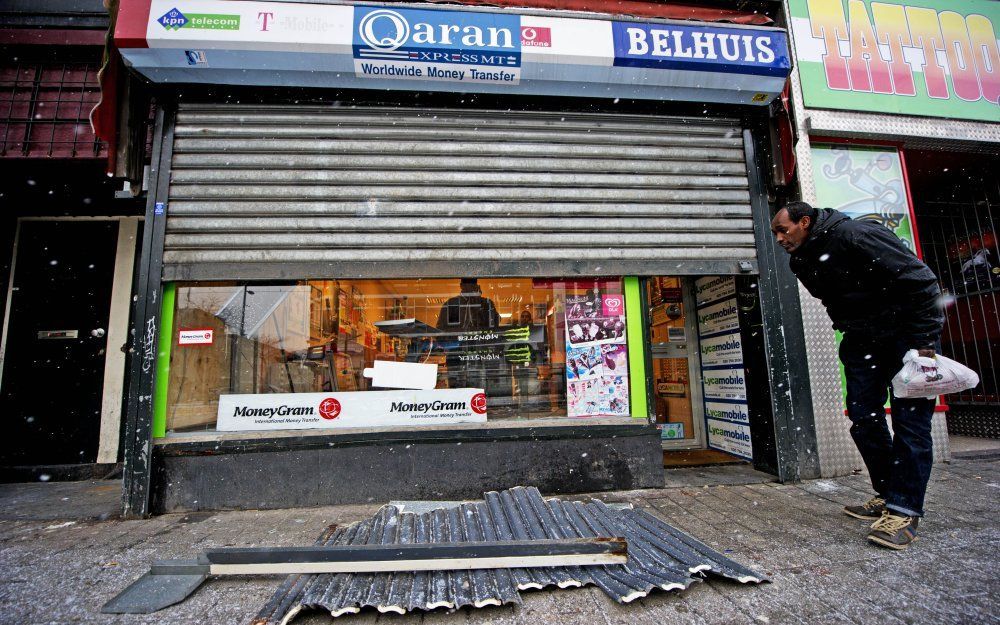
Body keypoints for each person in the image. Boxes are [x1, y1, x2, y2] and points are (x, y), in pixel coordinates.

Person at [771, 201, 944, 550]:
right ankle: (887, 493)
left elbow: (922, 281)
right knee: (863, 417)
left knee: (911, 422)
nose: (778, 238)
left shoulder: (856, 235)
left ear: (804, 222)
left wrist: (923, 344)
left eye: (782, 230)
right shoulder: (800, 259)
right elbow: (833, 298)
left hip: (906, 338)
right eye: (775, 232)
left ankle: (904, 510)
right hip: (862, 339)